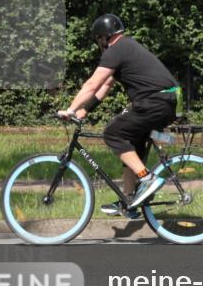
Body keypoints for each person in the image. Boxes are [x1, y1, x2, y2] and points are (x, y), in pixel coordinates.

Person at [57, 14, 181, 218]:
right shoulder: (126, 47)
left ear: (104, 37)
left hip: (154, 102)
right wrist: (82, 111)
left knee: (113, 134)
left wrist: (70, 109)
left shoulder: (116, 50)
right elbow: (104, 87)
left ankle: (147, 179)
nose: (99, 44)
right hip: (164, 102)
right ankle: (129, 200)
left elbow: (91, 85)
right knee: (130, 142)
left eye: (98, 39)